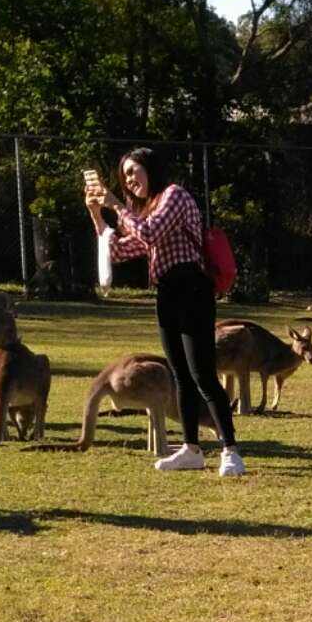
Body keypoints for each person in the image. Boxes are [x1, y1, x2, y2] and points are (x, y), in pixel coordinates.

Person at [84, 148, 242, 475]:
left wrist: (116, 205)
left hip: (192, 288)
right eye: (124, 175)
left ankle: (231, 450)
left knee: (202, 373)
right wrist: (97, 214)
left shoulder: (175, 196)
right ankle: (191, 449)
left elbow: (149, 232)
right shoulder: (147, 210)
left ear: (151, 169)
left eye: (134, 171)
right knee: (180, 375)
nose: (129, 180)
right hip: (167, 292)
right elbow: (119, 250)